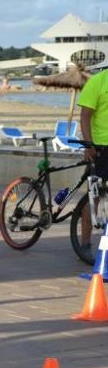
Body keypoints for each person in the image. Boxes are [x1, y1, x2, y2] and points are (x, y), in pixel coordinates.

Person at [77, 68, 108, 254]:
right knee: (94, 195)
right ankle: (85, 243)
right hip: (100, 148)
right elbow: (85, 116)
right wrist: (88, 146)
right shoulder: (98, 82)